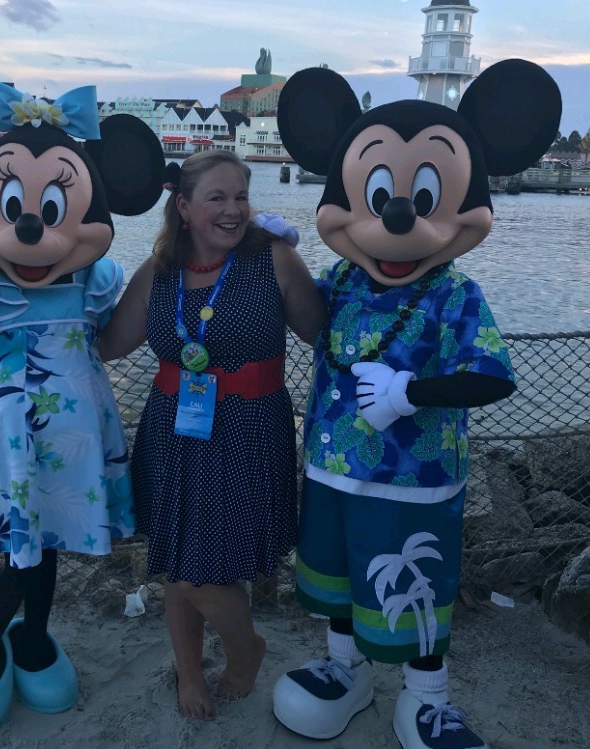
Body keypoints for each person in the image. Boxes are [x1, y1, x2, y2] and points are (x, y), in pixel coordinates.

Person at [272, 61, 561, 749]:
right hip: (333, 468)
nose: (397, 214)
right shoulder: (341, 276)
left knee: (416, 585)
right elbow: (308, 320)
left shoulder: (454, 294)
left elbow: (493, 375)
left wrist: (410, 393)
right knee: (340, 574)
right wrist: (275, 253)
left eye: (422, 196)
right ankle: (347, 671)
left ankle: (426, 697)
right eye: (377, 193)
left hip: (416, 482)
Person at [0, 79, 165, 736]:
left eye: (53, 205)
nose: (31, 223)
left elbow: (127, 324)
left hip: (73, 435)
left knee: (47, 540)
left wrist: (217, 259)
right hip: (0, 434)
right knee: (21, 546)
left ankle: (30, 637)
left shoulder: (92, 278)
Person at [97, 150, 325, 721]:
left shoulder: (275, 257)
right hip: (173, 430)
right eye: (217, 198)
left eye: (241, 197)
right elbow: (109, 344)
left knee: (205, 568)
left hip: (249, 431)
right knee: (180, 563)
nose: (233, 210)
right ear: (184, 208)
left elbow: (325, 332)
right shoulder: (158, 272)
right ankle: (191, 673)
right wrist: (49, 297)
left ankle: (245, 649)